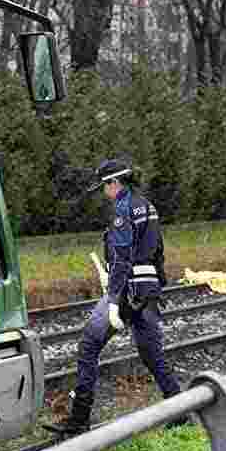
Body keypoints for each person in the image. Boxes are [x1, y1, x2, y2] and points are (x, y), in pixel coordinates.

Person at [44, 158, 186, 435]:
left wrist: (112, 298)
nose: (103, 193)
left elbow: (122, 257)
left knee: (88, 346)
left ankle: (79, 418)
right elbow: (158, 249)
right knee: (151, 354)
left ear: (114, 183)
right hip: (147, 290)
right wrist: (157, 286)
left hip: (127, 290)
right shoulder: (148, 206)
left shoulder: (123, 209)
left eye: (104, 186)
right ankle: (180, 411)